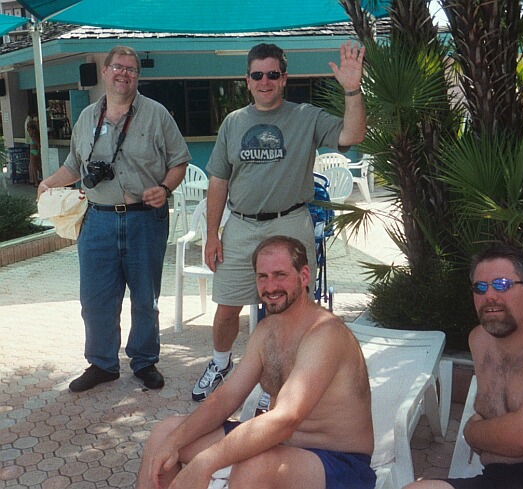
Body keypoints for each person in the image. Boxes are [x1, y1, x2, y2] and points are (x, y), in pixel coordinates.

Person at [193, 40, 366, 403]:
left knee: (290, 309)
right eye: (257, 75)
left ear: (285, 78)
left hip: (289, 223)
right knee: (227, 305)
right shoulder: (233, 122)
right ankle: (220, 363)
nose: (265, 81)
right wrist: (212, 234)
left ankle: (281, 378)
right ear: (247, 80)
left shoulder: (306, 117)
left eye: (273, 74)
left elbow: (352, 135)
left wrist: (352, 90)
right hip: (241, 226)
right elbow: (218, 180)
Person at [136, 235, 376, 489]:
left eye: (280, 275)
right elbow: (227, 398)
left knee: (255, 467)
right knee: (164, 437)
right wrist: (174, 442)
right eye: (263, 276)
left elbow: (287, 418)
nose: (270, 286)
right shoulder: (267, 332)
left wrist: (206, 462)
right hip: (281, 445)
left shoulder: (324, 334)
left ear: (304, 276)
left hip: (340, 463)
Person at [38, 46, 190, 392]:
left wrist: (165, 188)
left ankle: (144, 361)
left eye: (131, 70)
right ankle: (102, 364)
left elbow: (179, 161)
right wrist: (48, 183)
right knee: (95, 300)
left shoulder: (156, 114)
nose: (124, 74)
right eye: (118, 67)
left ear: (138, 77)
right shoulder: (87, 117)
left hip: (144, 219)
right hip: (98, 222)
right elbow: (73, 166)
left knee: (145, 299)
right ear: (105, 72)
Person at [405, 243, 523, 489]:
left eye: (502, 285)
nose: (489, 295)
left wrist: (472, 431)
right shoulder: (480, 341)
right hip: (501, 478)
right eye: (480, 287)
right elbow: (500, 422)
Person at [25, 105, 42, 186]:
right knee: (37, 166)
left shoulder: (33, 137)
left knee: (34, 167)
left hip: (33, 151)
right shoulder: (34, 135)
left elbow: (38, 144)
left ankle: (35, 181)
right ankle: (37, 179)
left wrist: (38, 151)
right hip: (34, 150)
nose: (29, 132)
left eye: (29, 130)